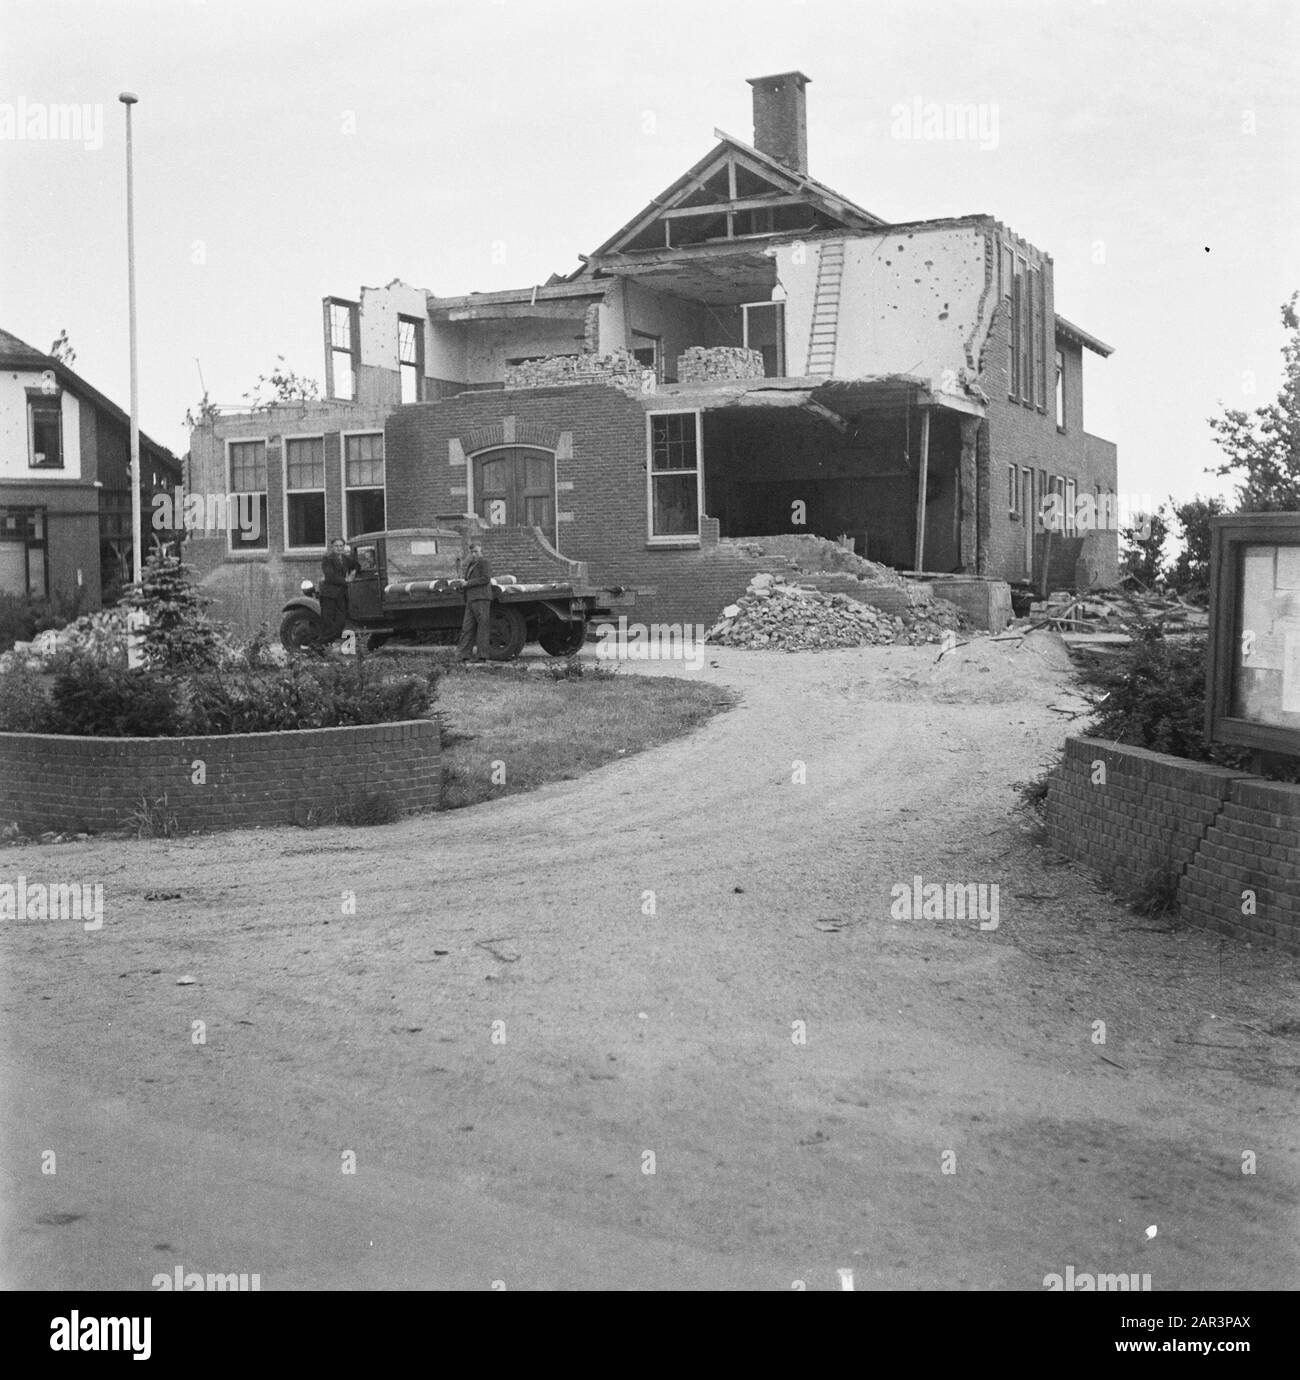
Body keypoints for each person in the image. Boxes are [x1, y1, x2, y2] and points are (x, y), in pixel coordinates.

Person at [456, 541, 494, 661]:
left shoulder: (484, 562)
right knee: (467, 627)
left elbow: (486, 579)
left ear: (481, 552)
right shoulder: (471, 564)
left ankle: (482, 656)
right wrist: (463, 584)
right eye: (472, 552)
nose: (473, 554)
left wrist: (468, 583)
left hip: (481, 598)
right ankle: (463, 655)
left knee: (482, 627)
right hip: (471, 599)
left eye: (476, 552)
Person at [318, 537, 359, 645]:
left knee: (340, 622)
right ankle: (319, 646)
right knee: (329, 623)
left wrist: (353, 572)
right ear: (332, 547)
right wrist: (346, 580)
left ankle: (322, 645)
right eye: (336, 546)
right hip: (329, 595)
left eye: (341, 546)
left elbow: (356, 565)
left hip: (341, 595)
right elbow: (330, 576)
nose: (339, 548)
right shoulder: (327, 559)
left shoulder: (345, 558)